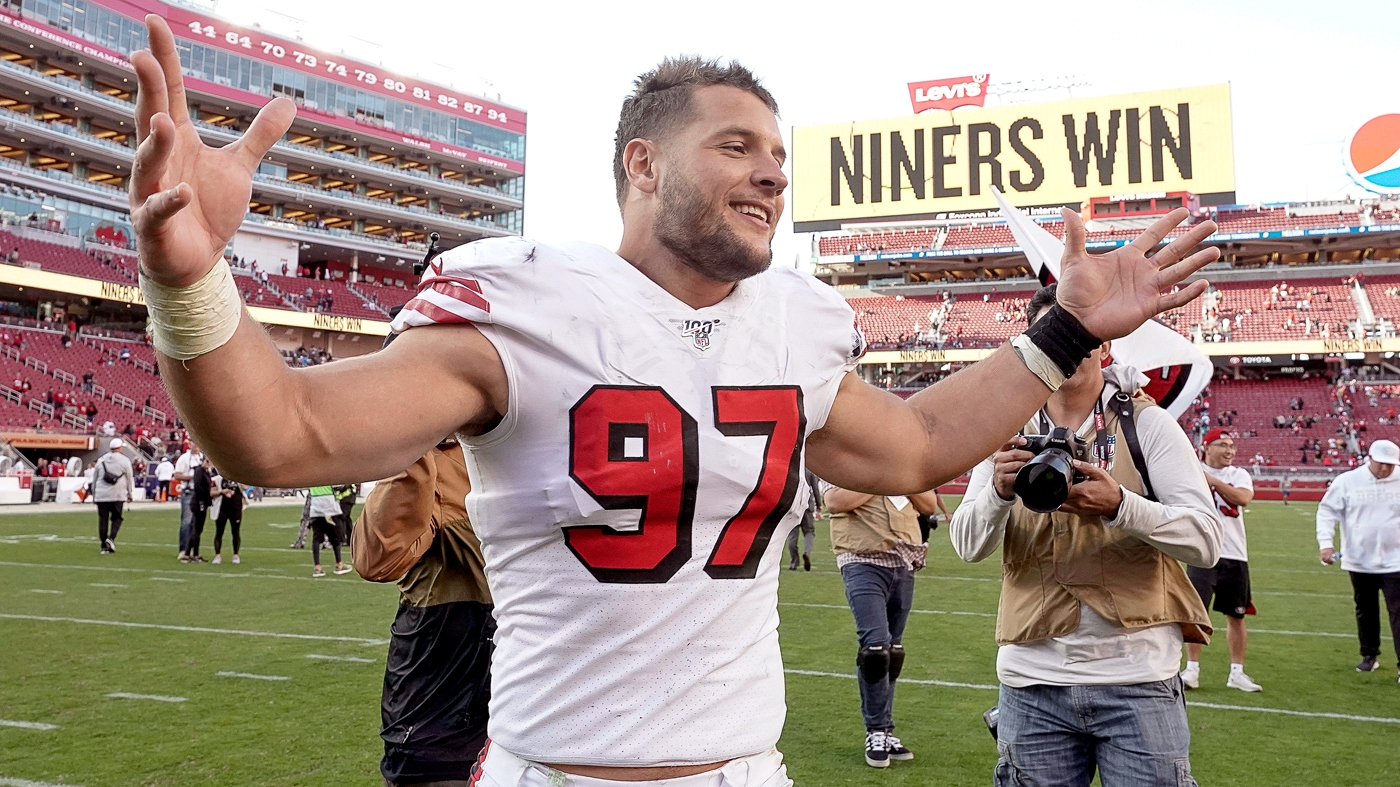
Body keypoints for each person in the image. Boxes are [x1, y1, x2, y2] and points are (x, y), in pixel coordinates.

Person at [127, 15, 1218, 782]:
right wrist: (188, 279)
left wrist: (1064, 329)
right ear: (642, 165)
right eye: (735, 145)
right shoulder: (523, 301)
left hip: (745, 767)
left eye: (780, 157)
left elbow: (916, 445)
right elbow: (281, 434)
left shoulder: (792, 322)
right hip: (554, 768)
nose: (772, 174)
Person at [950, 285, 1222, 787]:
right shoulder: (1004, 430)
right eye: (1051, 337)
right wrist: (998, 492)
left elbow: (1207, 541)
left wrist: (1121, 506)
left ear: (1106, 347)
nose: (1066, 349)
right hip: (1032, 680)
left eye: (1081, 335)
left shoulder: (1148, 426)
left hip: (1137, 677)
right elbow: (967, 545)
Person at [353, 440, 494, 786]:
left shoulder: (537, 450)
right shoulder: (436, 457)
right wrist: (416, 440)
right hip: (441, 704)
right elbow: (376, 558)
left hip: (523, 702)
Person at [824, 482, 942, 767]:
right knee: (875, 648)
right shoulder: (847, 461)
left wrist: (897, 474)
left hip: (904, 560)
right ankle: (875, 730)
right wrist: (883, 476)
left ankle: (886, 731)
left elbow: (929, 504)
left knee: (893, 651)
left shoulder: (906, 465)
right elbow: (836, 501)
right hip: (861, 559)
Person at [1181, 429, 1260, 692]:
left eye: (1232, 446)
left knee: (1236, 615)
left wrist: (1212, 481)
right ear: (1207, 447)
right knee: (1196, 613)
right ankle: (1191, 670)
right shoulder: (1190, 469)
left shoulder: (1238, 474)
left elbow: (1243, 498)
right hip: (1202, 551)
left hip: (1235, 552)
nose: (1230, 451)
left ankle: (1237, 672)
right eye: (1222, 445)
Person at [1316, 439, 1400, 679]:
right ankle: (1369, 655)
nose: (1385, 469)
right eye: (1381, 464)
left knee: (1399, 611)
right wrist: (1326, 544)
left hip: (1396, 560)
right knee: (1365, 610)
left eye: (1390, 465)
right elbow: (1327, 511)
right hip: (1359, 558)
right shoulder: (1347, 481)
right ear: (1370, 458)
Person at [93, 438, 133, 554]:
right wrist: (130, 494)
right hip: (117, 494)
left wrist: (95, 495)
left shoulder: (101, 460)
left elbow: (95, 479)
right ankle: (110, 538)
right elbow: (129, 479)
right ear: (120, 448)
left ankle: (103, 546)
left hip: (101, 494)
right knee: (117, 518)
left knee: (103, 520)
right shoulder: (125, 461)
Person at [307, 485, 352, 577]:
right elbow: (338, 486)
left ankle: (317, 567)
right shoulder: (328, 473)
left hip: (315, 507)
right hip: (330, 507)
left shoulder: (311, 474)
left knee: (316, 538)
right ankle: (339, 564)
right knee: (336, 537)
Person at [182, 455, 215, 563]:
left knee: (198, 529)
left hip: (203, 502)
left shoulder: (205, 472)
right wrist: (208, 494)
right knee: (196, 529)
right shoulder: (199, 471)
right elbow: (198, 486)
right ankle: (191, 554)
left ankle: (190, 553)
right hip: (198, 502)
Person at [786, 469, 820, 571]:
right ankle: (807, 552)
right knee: (809, 532)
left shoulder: (791, 469)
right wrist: (819, 505)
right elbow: (815, 489)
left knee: (792, 535)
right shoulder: (810, 471)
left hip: (793, 507)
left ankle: (794, 563)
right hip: (807, 507)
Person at [173, 444, 202, 560]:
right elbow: (177, 475)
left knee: (197, 524)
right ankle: (183, 548)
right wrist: (192, 477)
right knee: (186, 522)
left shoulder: (202, 458)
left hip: (200, 492)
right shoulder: (184, 458)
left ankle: (193, 550)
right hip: (189, 492)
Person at [211, 471, 245, 565]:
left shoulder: (238, 478)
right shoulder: (218, 479)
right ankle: (217, 555)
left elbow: (245, 487)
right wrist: (222, 492)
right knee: (219, 531)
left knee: (235, 531)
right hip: (222, 508)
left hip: (236, 508)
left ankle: (236, 554)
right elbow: (212, 492)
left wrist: (238, 477)